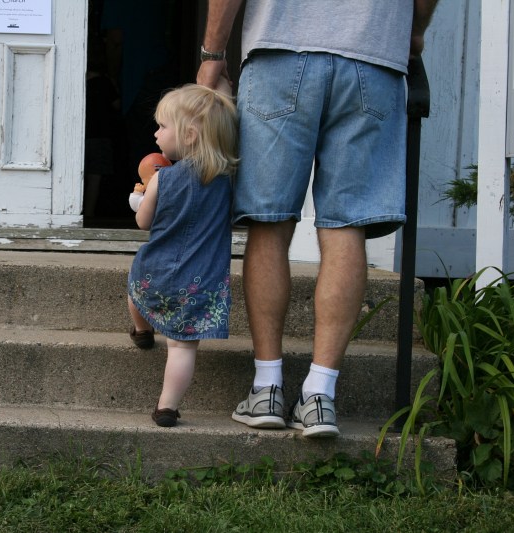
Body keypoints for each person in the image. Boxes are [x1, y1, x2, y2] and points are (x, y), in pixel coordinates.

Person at [196, 0, 438, 438]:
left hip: (280, 54)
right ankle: (319, 397)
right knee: (346, 227)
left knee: (270, 223)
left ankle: (267, 388)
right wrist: (415, 29)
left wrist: (213, 55)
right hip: (373, 57)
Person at [126, 84, 238, 427]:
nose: (156, 133)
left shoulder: (163, 178)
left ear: (189, 134)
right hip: (201, 280)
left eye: (162, 126)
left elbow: (144, 222)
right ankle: (167, 408)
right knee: (182, 347)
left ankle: (142, 329)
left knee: (135, 290)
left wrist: (140, 201)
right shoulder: (229, 182)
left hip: (155, 271)